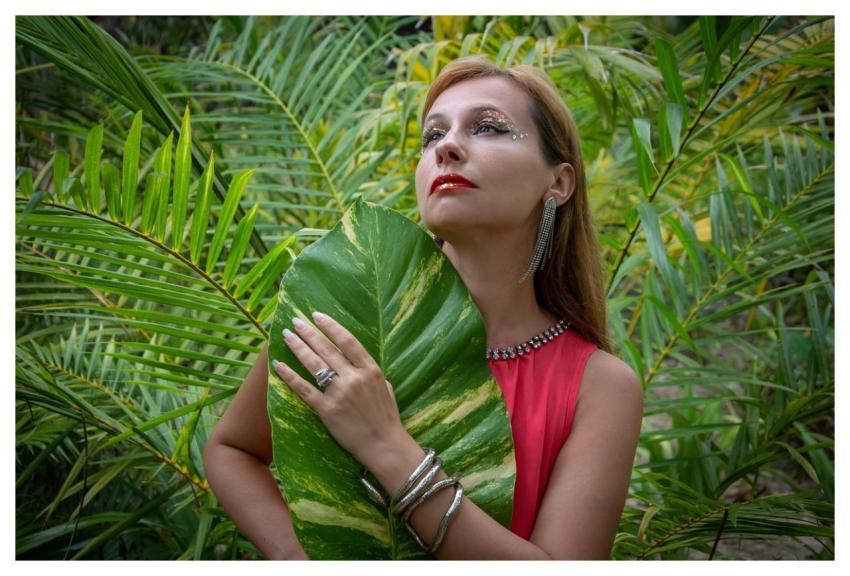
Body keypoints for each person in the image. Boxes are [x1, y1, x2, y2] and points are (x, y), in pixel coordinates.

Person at [203, 55, 643, 560]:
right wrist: (297, 559)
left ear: (558, 183)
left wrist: (389, 448)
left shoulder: (599, 386)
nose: (448, 147)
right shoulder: (349, 313)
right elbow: (231, 451)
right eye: (434, 135)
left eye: (489, 127)